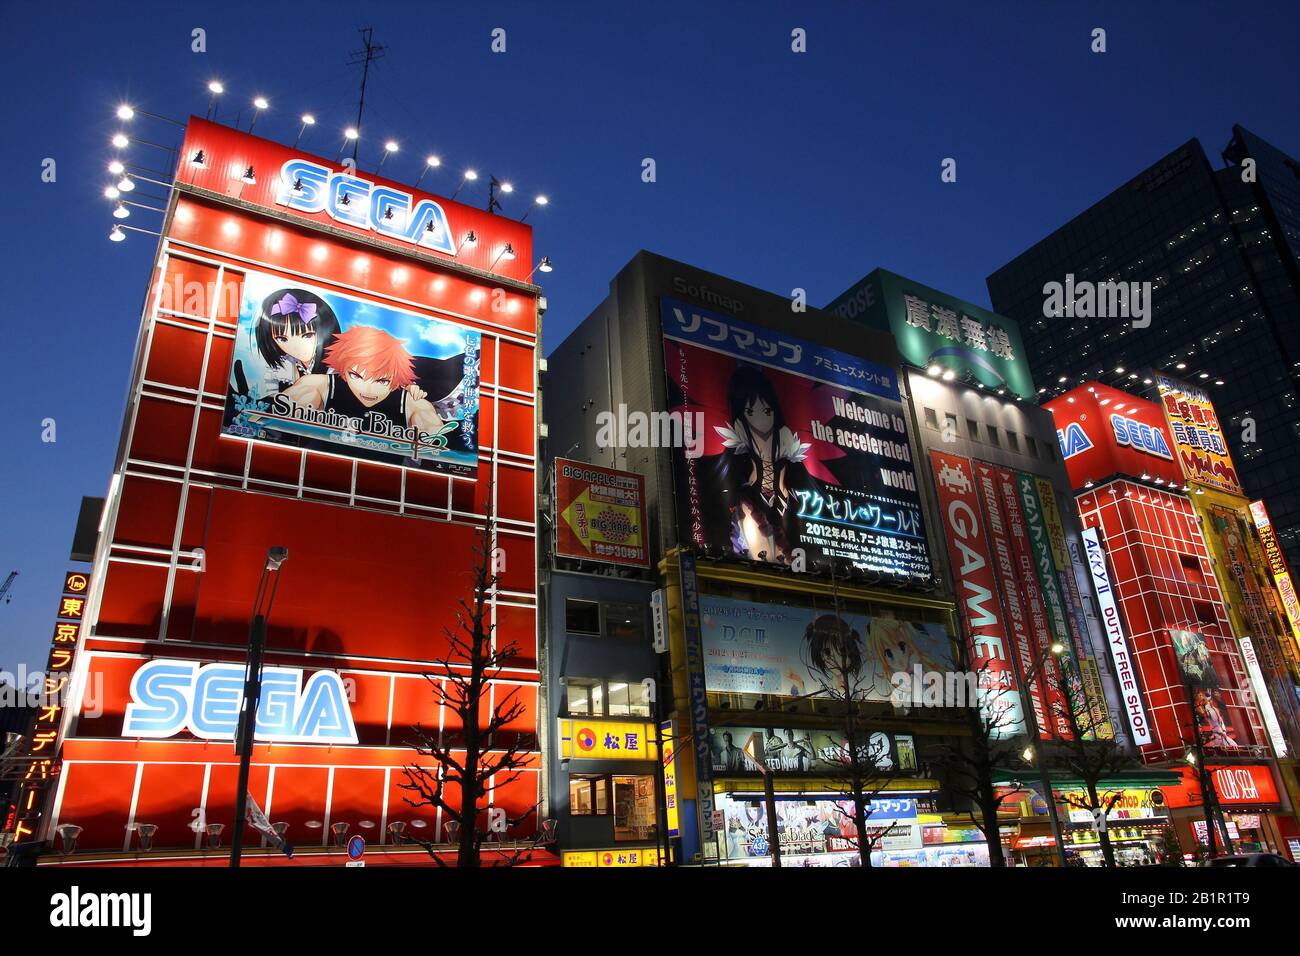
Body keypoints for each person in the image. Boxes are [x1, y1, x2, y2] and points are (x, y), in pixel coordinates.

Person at [282, 325, 448, 451]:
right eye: (356, 376)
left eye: (382, 381)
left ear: (396, 378)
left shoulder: (411, 403)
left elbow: (441, 443)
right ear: (343, 371)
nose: (368, 390)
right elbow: (274, 414)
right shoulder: (319, 385)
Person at [714, 365, 812, 564]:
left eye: (766, 410)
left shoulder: (787, 448)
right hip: (754, 505)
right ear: (741, 415)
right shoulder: (740, 452)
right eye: (751, 411)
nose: (760, 420)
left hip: (784, 506)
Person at [253, 288, 340, 388]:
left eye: (307, 335)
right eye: (282, 339)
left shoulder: (335, 368)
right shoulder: (283, 367)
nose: (296, 347)